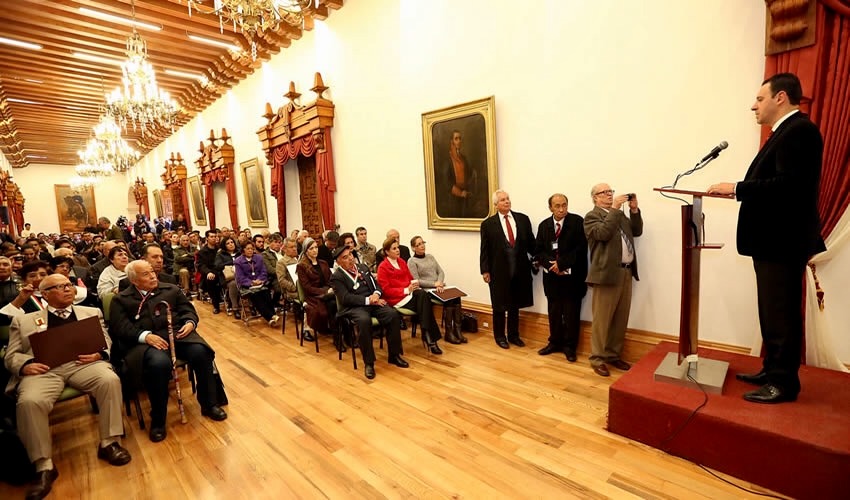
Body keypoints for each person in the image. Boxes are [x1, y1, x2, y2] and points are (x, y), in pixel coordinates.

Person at [707, 72, 824, 404]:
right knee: (770, 311)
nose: (753, 106)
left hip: (783, 241)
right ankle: (771, 368)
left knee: (781, 312)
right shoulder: (784, 132)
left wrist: (737, 188)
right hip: (772, 241)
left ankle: (783, 383)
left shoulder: (799, 131)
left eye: (759, 99)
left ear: (780, 97)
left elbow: (790, 186)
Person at [5, 274, 131, 500]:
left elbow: (105, 341)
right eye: (59, 287)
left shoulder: (91, 312)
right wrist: (24, 366)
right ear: (45, 294)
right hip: (44, 370)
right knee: (29, 402)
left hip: (82, 364)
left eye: (68, 285)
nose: (67, 289)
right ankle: (44, 465)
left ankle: (110, 442)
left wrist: (99, 353)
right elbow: (11, 355)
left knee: (109, 380)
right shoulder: (24, 321)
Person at [109, 260, 227, 443]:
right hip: (145, 343)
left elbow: (188, 310)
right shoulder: (121, 299)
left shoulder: (170, 289)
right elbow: (119, 327)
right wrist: (145, 336)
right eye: (146, 274)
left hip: (178, 335)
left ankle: (209, 403)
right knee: (159, 365)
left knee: (201, 352)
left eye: (152, 272)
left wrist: (190, 322)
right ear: (134, 280)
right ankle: (158, 419)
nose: (153, 276)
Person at [584, 183, 642, 377]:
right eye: (604, 192)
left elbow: (636, 230)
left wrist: (634, 210)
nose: (609, 195)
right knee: (602, 319)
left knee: (620, 317)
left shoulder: (619, 215)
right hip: (606, 274)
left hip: (625, 272)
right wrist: (616, 209)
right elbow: (603, 234)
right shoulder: (592, 217)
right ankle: (597, 358)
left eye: (611, 192)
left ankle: (612, 354)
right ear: (595, 198)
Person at [330, 246, 407, 380]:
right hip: (354, 307)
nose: (350, 258)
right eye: (345, 257)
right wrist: (368, 300)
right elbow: (345, 298)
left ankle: (394, 355)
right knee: (364, 321)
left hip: (373, 302)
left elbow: (377, 285)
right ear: (338, 262)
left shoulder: (362, 268)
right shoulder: (337, 277)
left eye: (350, 255)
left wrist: (376, 294)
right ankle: (369, 363)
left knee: (393, 315)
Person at [534, 194, 588, 362]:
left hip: (573, 279)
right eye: (557, 206)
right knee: (554, 312)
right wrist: (550, 264)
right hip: (552, 279)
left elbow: (581, 248)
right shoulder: (544, 225)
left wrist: (562, 263)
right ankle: (555, 342)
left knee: (571, 313)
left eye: (564, 205)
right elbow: (539, 249)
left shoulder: (577, 222)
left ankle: (570, 347)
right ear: (550, 207)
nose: (561, 209)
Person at [479, 190, 535, 349]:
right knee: (499, 305)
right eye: (503, 200)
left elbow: (531, 243)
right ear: (496, 205)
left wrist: (539, 259)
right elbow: (485, 249)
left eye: (508, 199)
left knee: (514, 305)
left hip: (519, 269)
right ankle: (499, 336)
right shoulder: (488, 224)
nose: (507, 202)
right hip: (498, 271)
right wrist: (485, 270)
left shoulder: (522, 219)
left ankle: (513, 335)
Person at [377, 237, 443, 354]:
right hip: (397, 299)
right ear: (387, 251)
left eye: (398, 247)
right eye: (394, 248)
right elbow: (386, 291)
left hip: (410, 295)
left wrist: (414, 285)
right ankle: (430, 339)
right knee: (424, 300)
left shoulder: (402, 262)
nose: (398, 250)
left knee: (423, 295)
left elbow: (410, 279)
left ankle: (428, 335)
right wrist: (405, 290)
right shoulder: (383, 267)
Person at [408, 235, 466, 344]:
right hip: (427, 291)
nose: (422, 246)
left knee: (456, 297)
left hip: (438, 287)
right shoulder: (412, 261)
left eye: (423, 243)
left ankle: (457, 331)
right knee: (449, 300)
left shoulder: (430, 257)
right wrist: (434, 284)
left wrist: (439, 283)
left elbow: (441, 272)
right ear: (413, 248)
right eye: (418, 244)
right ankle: (449, 333)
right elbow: (416, 281)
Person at [295, 238, 336, 337]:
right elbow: (307, 287)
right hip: (313, 295)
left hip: (328, 292)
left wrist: (331, 289)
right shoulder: (302, 266)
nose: (315, 250)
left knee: (337, 305)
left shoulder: (323, 263)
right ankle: (317, 328)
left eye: (316, 247)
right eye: (311, 248)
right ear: (306, 251)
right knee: (322, 311)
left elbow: (331, 279)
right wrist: (325, 291)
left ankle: (336, 330)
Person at [234, 242, 280, 327]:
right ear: (243, 250)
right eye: (248, 249)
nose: (250, 250)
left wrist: (260, 280)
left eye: (252, 248)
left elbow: (264, 271)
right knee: (255, 296)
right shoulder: (238, 261)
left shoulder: (259, 258)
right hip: (247, 286)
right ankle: (271, 316)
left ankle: (271, 317)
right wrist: (251, 283)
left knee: (266, 293)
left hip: (260, 283)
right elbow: (240, 277)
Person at [197, 230, 223, 314]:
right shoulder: (202, 252)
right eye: (211, 237)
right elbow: (201, 265)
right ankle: (216, 305)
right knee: (210, 279)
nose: (214, 238)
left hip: (221, 270)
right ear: (207, 238)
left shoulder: (220, 249)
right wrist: (208, 272)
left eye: (215, 236)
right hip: (210, 272)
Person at [215, 236, 241, 318]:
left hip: (241, 276)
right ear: (224, 245)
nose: (231, 244)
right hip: (228, 278)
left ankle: (252, 307)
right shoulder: (220, 255)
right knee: (233, 284)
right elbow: (218, 266)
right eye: (228, 243)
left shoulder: (240, 253)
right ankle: (235, 308)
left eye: (232, 242)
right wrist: (231, 262)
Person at [276, 237, 300, 303]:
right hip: (293, 291)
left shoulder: (300, 259)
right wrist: (295, 287)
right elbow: (281, 280)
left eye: (295, 246)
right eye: (291, 247)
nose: (294, 249)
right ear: (285, 249)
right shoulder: (281, 262)